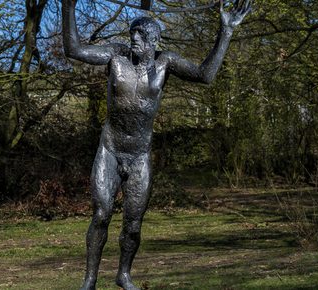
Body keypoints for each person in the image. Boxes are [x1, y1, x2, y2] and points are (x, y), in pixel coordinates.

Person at [61, 0, 252, 289]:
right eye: (132, 34)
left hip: (139, 155)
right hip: (110, 150)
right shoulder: (116, 56)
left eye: (141, 36)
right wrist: (68, 6)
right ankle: (89, 280)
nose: (134, 40)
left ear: (154, 41)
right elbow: (74, 50)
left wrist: (225, 32)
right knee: (101, 214)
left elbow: (206, 75)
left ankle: (123, 274)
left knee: (133, 224)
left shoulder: (166, 63)